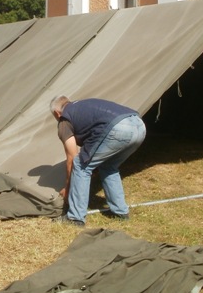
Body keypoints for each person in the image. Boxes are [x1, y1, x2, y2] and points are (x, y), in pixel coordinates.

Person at [50, 95, 146, 226]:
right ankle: (120, 212)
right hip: (138, 125)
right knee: (108, 166)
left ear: (57, 113)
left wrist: (68, 188)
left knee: (80, 166)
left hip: (117, 128)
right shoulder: (81, 107)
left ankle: (75, 218)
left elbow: (72, 157)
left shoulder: (64, 119)